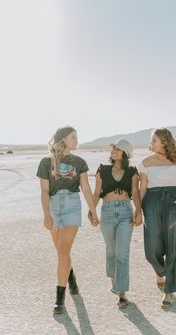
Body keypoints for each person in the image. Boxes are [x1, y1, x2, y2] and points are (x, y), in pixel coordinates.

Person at [36, 126, 99, 314]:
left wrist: (93, 212)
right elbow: (45, 191)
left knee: (63, 251)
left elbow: (86, 189)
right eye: (74, 137)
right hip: (54, 206)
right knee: (61, 252)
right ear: (63, 139)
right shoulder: (46, 162)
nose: (77, 141)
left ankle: (59, 300)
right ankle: (70, 276)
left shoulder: (80, 162)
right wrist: (46, 214)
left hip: (72, 204)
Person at [138, 128, 176, 309]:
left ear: (164, 141)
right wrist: (139, 210)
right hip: (152, 203)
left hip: (174, 203)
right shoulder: (145, 162)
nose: (151, 143)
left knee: (174, 244)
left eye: (154, 140)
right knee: (152, 246)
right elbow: (142, 187)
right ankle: (160, 271)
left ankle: (169, 290)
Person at [90, 139, 142, 308]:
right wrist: (91, 211)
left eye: (118, 149)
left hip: (126, 212)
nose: (113, 151)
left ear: (125, 153)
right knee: (111, 252)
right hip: (107, 211)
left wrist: (138, 211)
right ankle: (114, 280)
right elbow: (97, 193)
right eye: (113, 149)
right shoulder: (102, 169)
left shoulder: (133, 171)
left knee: (122, 254)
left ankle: (122, 293)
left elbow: (135, 192)